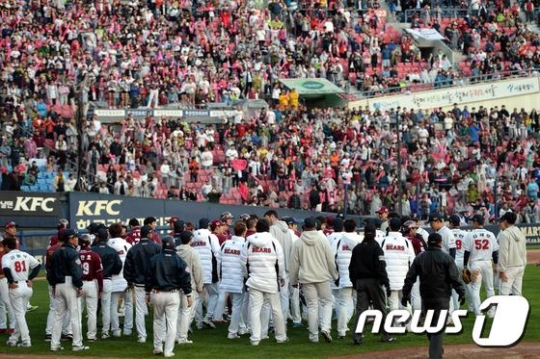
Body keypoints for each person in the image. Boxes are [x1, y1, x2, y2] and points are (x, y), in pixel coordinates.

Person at [402, 233, 465, 359]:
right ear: (440, 243)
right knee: (438, 326)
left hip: (426, 296)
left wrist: (405, 294)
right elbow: (454, 278)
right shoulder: (446, 258)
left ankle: (435, 349)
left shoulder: (420, 258)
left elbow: (410, 278)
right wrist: (461, 291)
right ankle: (435, 355)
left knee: (430, 325)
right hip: (442, 296)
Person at [290, 217, 339, 343]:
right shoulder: (323, 239)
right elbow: (330, 260)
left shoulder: (298, 242)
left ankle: (313, 336)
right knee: (327, 303)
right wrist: (335, 276)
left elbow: (294, 264)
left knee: (312, 306)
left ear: (304, 226)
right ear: (315, 226)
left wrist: (294, 281)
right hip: (322, 276)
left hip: (306, 278)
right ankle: (326, 327)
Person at [241, 218, 288, 346]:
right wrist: (281, 277)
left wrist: (247, 276)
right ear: (268, 228)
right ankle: (281, 336)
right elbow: (281, 262)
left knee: (255, 310)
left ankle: (255, 338)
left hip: (254, 280)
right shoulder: (274, 242)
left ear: (256, 228)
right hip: (270, 281)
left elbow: (243, 263)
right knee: (276, 310)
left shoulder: (248, 243)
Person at [146, 236, 193, 358]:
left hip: (157, 293)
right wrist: (188, 294)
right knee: (171, 323)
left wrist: (147, 292)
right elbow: (185, 278)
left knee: (157, 321)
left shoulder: (154, 259)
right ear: (173, 246)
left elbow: (148, 278)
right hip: (172, 294)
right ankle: (168, 351)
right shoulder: (178, 260)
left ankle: (157, 347)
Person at [349, 223, 395, 345]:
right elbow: (381, 267)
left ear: (364, 233)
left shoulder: (357, 248)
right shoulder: (376, 248)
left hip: (360, 281)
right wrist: (386, 283)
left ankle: (357, 337)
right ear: (374, 233)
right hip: (374, 281)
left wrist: (354, 282)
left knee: (361, 310)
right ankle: (386, 335)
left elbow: (351, 268)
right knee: (380, 308)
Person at [47, 229, 89, 352]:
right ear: (70, 238)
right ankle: (77, 344)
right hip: (70, 284)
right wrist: (79, 286)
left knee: (58, 316)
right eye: (76, 237)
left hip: (58, 285)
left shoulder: (56, 252)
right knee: (75, 316)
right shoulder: (72, 252)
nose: (77, 239)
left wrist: (54, 285)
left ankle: (54, 344)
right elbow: (76, 271)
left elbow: (50, 272)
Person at [123, 225, 162, 343]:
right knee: (159, 310)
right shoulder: (156, 247)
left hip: (139, 283)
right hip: (155, 284)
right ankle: (162, 335)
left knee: (139, 310)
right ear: (149, 234)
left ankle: (142, 336)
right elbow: (161, 265)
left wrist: (129, 281)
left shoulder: (133, 249)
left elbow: (127, 268)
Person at [2, 236, 41, 347]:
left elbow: (6, 269)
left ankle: (26, 340)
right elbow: (38, 266)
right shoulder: (25, 254)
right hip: (27, 287)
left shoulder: (6, 256)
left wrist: (10, 281)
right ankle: (13, 339)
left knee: (19, 315)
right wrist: (30, 278)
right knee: (21, 314)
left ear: (6, 246)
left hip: (16, 287)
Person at [214, 221, 248, 339]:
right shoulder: (244, 245)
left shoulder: (225, 244)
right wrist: (246, 277)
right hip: (238, 281)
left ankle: (242, 328)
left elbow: (219, 262)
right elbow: (245, 264)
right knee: (237, 306)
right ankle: (232, 332)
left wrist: (220, 278)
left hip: (227, 280)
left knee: (236, 306)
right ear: (244, 232)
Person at [380, 217, 415, 322]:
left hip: (389, 278)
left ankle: (396, 325)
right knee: (405, 301)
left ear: (389, 227)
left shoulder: (382, 241)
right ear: (400, 227)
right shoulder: (406, 242)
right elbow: (412, 260)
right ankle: (409, 324)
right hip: (403, 277)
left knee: (393, 303)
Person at [463, 214, 499, 317]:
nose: (471, 223)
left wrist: (465, 266)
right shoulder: (490, 234)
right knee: (490, 288)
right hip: (487, 263)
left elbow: (466, 253)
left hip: (475, 264)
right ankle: (491, 312)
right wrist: (496, 264)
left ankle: (478, 313)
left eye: (472, 221)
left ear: (475, 222)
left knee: (475, 289)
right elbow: (495, 252)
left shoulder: (470, 235)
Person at [332, 218, 362, 339]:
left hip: (344, 276)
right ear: (355, 228)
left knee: (343, 304)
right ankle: (359, 330)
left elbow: (333, 258)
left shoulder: (339, 241)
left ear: (344, 228)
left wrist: (336, 275)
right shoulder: (361, 240)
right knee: (359, 305)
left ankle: (341, 331)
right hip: (359, 277)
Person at [91, 228, 122, 339]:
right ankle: (105, 332)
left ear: (98, 237)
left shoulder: (92, 250)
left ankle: (92, 332)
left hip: (94, 281)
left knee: (92, 308)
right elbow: (118, 266)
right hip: (107, 279)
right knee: (106, 307)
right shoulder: (112, 250)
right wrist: (111, 272)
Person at [175, 231, 204, 345]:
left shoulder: (175, 251)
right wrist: (199, 285)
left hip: (175, 286)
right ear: (190, 239)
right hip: (189, 286)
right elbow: (197, 270)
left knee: (177, 312)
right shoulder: (193, 252)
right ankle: (182, 337)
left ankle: (177, 336)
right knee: (186, 312)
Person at [191, 218, 221, 328]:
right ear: (208, 226)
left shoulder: (193, 237)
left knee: (197, 297)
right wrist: (218, 272)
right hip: (209, 271)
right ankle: (207, 317)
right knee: (215, 294)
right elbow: (217, 254)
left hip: (196, 271)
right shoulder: (211, 237)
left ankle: (198, 323)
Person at [107, 223, 133, 337]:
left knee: (113, 305)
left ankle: (116, 330)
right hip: (126, 277)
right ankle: (128, 329)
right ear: (121, 232)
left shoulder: (107, 244)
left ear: (110, 232)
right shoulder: (127, 244)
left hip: (113, 277)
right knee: (128, 304)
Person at [77, 234, 103, 342]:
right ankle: (91, 335)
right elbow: (99, 274)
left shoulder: (75, 255)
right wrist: (101, 287)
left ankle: (77, 335)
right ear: (89, 243)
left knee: (77, 311)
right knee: (92, 311)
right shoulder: (95, 255)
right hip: (91, 284)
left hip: (78, 285)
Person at [497, 212, 527, 295]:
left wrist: (502, 270)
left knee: (503, 295)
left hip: (509, 268)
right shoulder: (521, 233)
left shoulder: (504, 234)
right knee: (517, 294)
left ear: (506, 221)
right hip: (520, 266)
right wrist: (523, 265)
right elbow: (524, 251)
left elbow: (503, 253)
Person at [448, 215, 472, 312]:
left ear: (451, 223)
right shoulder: (466, 234)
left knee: (454, 285)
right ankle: (472, 306)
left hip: (452, 261)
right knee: (468, 285)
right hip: (463, 261)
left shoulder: (447, 233)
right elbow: (469, 250)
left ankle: (456, 308)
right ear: (460, 223)